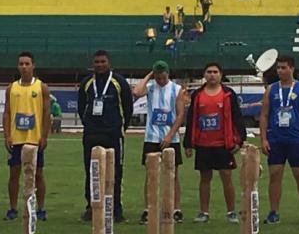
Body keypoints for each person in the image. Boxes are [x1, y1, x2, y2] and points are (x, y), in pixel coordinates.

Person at [183, 62, 246, 223]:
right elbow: (191, 120)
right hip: (203, 145)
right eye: (209, 72)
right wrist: (188, 143)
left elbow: (237, 118)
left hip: (223, 145)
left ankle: (231, 212)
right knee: (205, 178)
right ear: (204, 75)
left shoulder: (228, 94)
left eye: (215, 72)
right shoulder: (197, 94)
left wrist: (240, 140)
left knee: (226, 177)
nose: (212, 75)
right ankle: (204, 212)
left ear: (220, 74)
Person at [259, 55, 299, 224]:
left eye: (283, 67)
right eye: (278, 68)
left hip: (296, 139)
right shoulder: (271, 89)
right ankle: (273, 212)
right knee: (275, 175)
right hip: (276, 139)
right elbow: (263, 115)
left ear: (292, 69)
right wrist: (263, 139)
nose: (280, 71)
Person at [78, 50, 133, 222]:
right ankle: (92, 207)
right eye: (97, 62)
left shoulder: (119, 82)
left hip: (113, 134)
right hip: (92, 134)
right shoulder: (87, 82)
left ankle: (115, 209)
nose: (100, 64)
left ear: (109, 63)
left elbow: (128, 107)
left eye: (103, 61)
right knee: (91, 171)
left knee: (115, 171)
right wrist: (89, 124)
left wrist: (121, 126)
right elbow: (81, 107)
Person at [133, 60, 186, 224]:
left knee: (173, 174)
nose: (160, 81)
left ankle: (175, 208)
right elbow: (136, 91)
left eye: (163, 77)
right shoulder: (150, 88)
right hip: (152, 137)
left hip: (171, 138)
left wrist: (170, 135)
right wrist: (149, 75)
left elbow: (180, 115)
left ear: (168, 75)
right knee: (150, 175)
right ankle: (148, 209)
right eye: (157, 77)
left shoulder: (176, 90)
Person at [2, 51, 51, 222]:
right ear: (18, 66)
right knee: (14, 174)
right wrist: (7, 135)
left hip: (34, 138)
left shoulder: (41, 87)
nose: (24, 67)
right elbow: (7, 112)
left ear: (33, 66)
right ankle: (13, 208)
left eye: (27, 64)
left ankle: (41, 208)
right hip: (16, 139)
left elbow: (46, 113)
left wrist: (44, 136)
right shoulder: (11, 88)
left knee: (38, 174)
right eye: (21, 64)